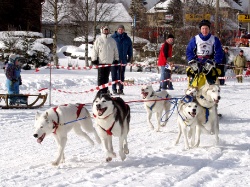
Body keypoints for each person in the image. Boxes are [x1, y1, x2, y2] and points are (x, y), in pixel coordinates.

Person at [186, 19, 224, 88]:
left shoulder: (214, 39)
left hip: (209, 62)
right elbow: (189, 51)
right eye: (203, 28)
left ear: (209, 29)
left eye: (206, 28)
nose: (204, 31)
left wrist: (215, 61)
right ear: (200, 29)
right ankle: (191, 92)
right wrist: (192, 60)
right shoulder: (195, 39)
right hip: (198, 61)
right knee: (193, 77)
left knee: (210, 81)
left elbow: (219, 52)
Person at [91, 26, 119, 94]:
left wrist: (116, 59)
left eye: (107, 30)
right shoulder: (99, 40)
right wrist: (94, 59)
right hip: (101, 62)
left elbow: (115, 50)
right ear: (102, 31)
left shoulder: (112, 40)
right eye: (105, 30)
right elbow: (95, 50)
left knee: (106, 77)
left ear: (109, 31)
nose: (106, 31)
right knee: (101, 77)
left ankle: (105, 90)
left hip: (109, 62)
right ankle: (100, 91)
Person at [111, 25, 133, 95]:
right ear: (117, 30)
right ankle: (114, 89)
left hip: (123, 59)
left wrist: (129, 56)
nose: (120, 30)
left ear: (124, 30)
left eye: (122, 29)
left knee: (121, 75)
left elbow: (130, 48)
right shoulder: (112, 38)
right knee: (114, 75)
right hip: (114, 60)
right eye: (119, 29)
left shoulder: (127, 39)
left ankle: (120, 89)